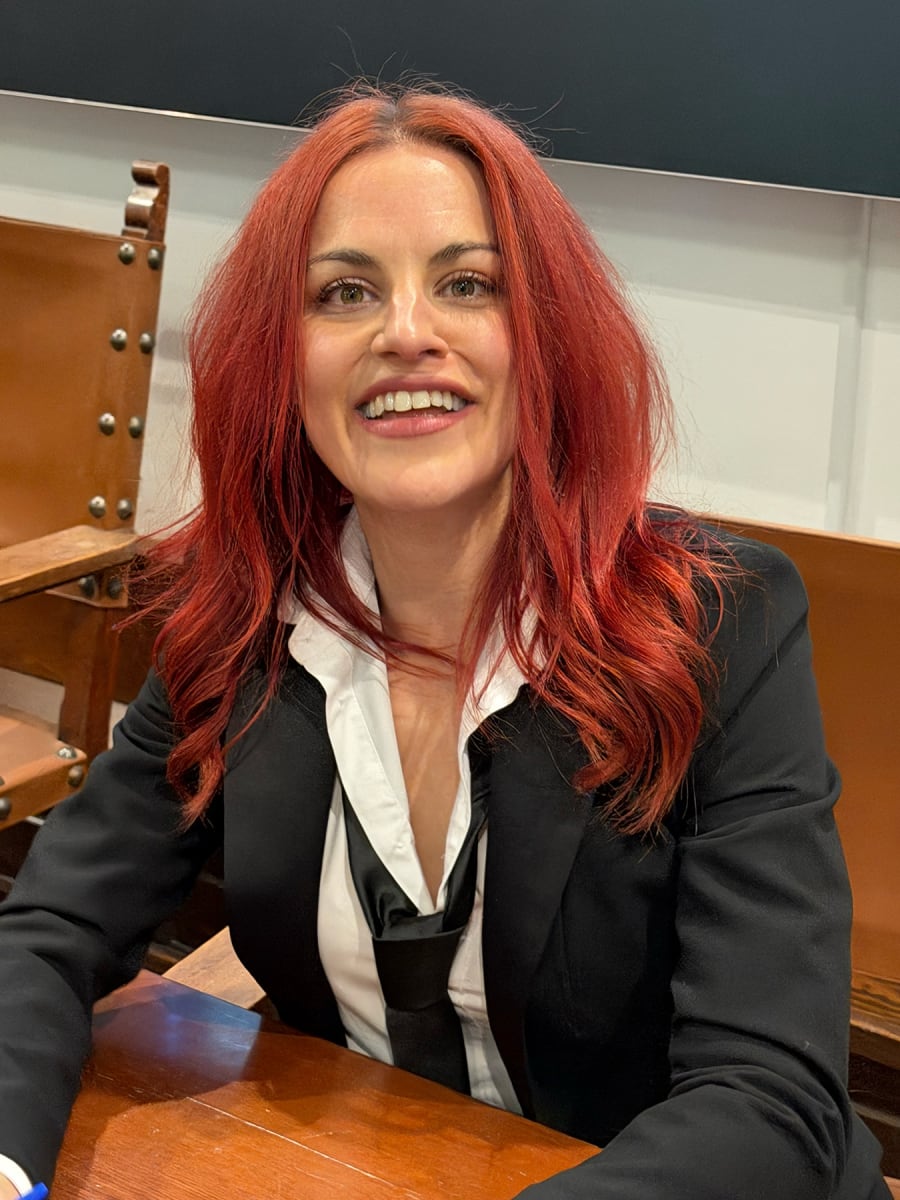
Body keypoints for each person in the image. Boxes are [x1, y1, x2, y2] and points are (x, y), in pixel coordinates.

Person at [0, 83, 890, 1199]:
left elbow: (770, 1102)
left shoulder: (721, 622)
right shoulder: (238, 617)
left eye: (468, 284)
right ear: (285, 360)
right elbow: (48, 928)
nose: (405, 332)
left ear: (547, 337)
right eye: (345, 292)